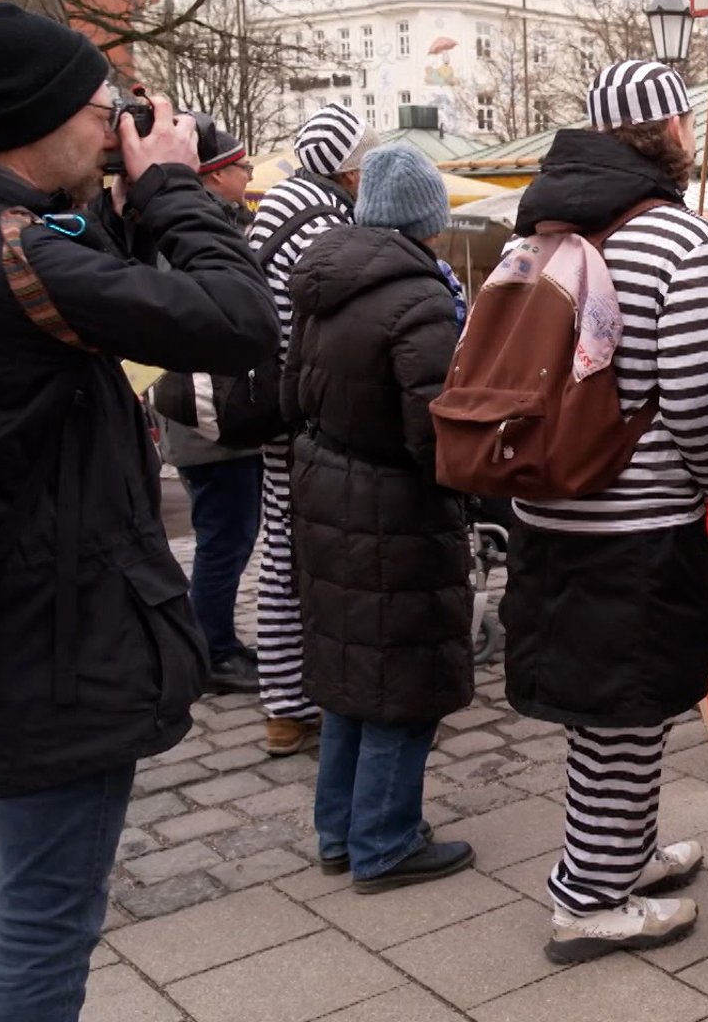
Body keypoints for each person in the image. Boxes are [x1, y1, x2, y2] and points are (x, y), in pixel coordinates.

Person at [0, 2, 277, 1022]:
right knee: (39, 932)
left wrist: (122, 196)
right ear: (34, 118)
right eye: (103, 106)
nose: (114, 124)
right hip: (50, 650)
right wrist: (172, 187)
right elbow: (237, 319)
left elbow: (95, 274)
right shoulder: (14, 259)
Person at [497, 61, 708, 961]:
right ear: (672, 130)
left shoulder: (531, 232)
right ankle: (588, 898)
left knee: (610, 709)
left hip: (548, 509)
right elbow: (694, 398)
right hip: (639, 524)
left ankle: (625, 854)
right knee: (626, 711)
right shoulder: (675, 238)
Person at [284, 145, 477, 891]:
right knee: (402, 677)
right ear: (428, 218)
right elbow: (433, 431)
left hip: (326, 485)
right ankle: (385, 842)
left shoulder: (323, 280)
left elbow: (291, 392)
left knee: (347, 673)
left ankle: (340, 831)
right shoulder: (419, 299)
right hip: (394, 502)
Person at [249, 103, 374, 756]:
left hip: (270, 406)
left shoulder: (274, 206)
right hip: (307, 412)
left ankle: (283, 704)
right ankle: (306, 698)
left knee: (281, 552)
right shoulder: (323, 224)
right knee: (314, 556)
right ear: (347, 168)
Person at [154, 126, 269, 695]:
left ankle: (211, 642)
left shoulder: (192, 226)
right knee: (225, 536)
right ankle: (212, 650)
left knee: (227, 533)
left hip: (212, 417)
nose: (249, 178)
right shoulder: (192, 233)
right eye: (241, 168)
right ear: (215, 174)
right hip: (211, 419)